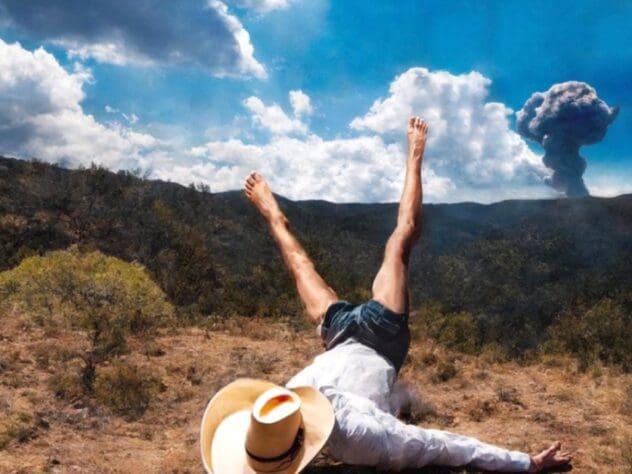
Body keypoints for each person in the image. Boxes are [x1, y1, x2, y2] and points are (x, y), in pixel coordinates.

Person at [238, 117, 573, 472]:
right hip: (346, 332)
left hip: (363, 335)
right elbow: (438, 443)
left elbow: (440, 446)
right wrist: (527, 462)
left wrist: (527, 465)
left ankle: (415, 155)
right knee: (364, 249)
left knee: (393, 239)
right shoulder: (286, 403)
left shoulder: (351, 436)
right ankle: (274, 215)